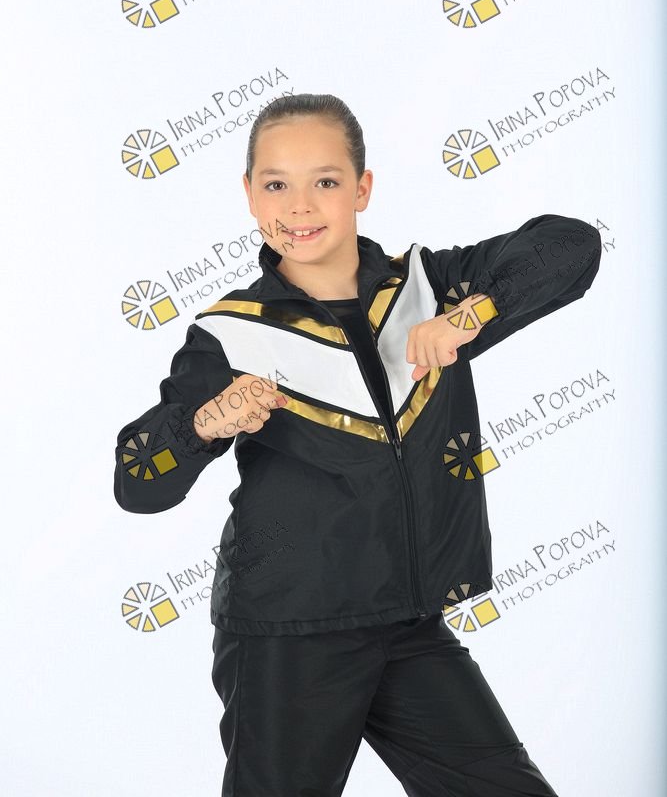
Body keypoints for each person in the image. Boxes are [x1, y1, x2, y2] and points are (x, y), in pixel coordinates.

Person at [114, 93, 602, 796]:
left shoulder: (429, 290)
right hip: (288, 633)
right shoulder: (230, 335)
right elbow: (138, 480)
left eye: (326, 180)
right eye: (276, 184)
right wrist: (202, 425)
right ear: (249, 196)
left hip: (407, 622)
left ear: (362, 189)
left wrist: (470, 315)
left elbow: (571, 246)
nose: (300, 206)